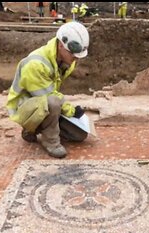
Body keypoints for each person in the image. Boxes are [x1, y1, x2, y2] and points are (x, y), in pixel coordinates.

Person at [6, 22, 90, 158]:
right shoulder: (35, 64)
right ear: (61, 45)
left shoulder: (65, 60)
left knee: (79, 134)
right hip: (24, 109)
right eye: (73, 54)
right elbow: (50, 96)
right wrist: (72, 110)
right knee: (53, 102)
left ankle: (35, 129)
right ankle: (50, 141)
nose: (75, 58)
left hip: (42, 103)